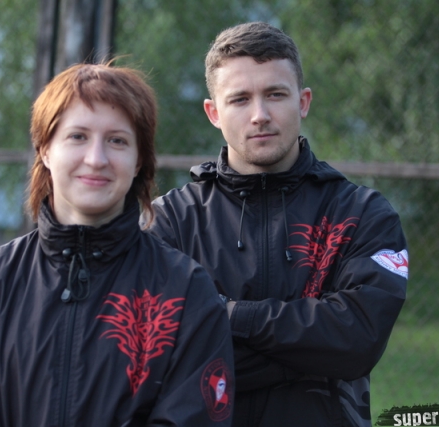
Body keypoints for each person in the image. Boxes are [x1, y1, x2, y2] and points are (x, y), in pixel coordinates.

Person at [0, 63, 234, 426]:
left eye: (117, 141)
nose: (96, 159)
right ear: (45, 149)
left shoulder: (185, 293)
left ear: (138, 161)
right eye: (77, 137)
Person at [147, 22, 408, 427]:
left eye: (275, 94)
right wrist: (307, 354)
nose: (260, 115)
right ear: (213, 112)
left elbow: (356, 340)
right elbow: (157, 358)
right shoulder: (170, 221)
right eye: (240, 99)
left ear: (303, 102)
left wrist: (228, 315)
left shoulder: (360, 214)